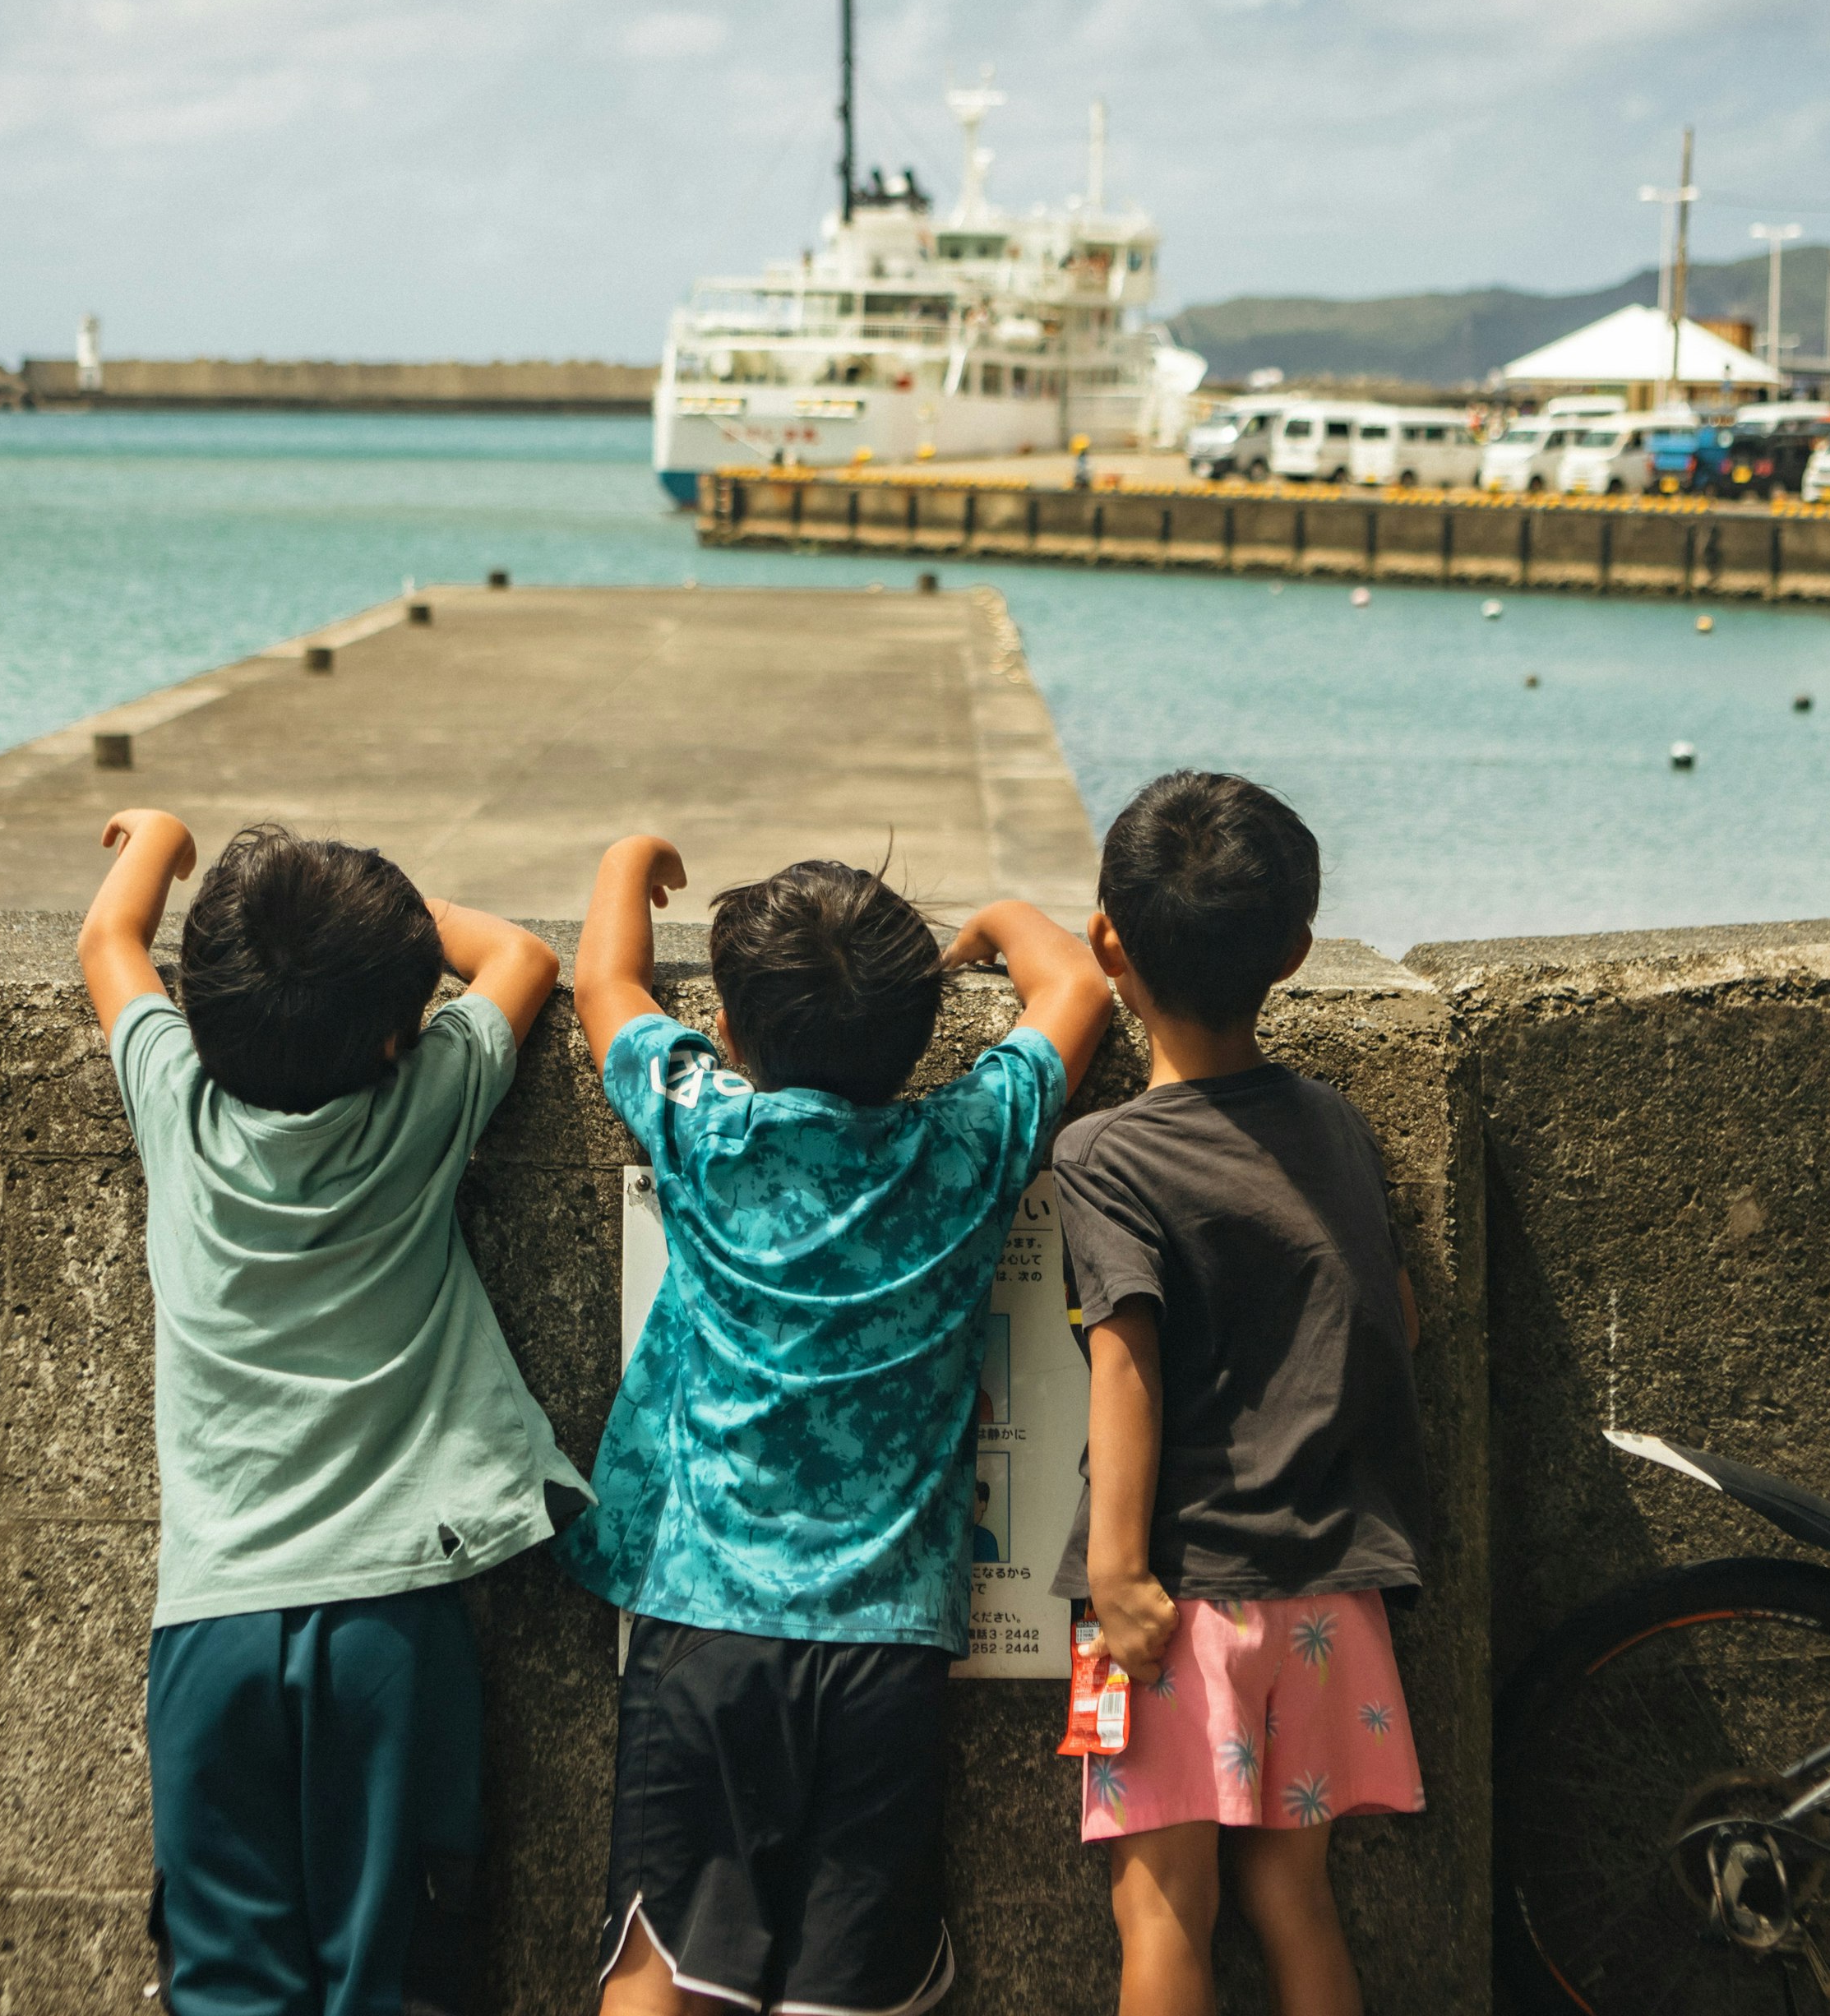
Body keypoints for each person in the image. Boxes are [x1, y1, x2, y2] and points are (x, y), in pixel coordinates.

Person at [558, 835, 1112, 2016]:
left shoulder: (708, 1132)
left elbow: (605, 987)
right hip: (889, 1642)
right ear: (913, 1036)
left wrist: (625, 864)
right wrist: (1003, 915)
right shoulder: (966, 1147)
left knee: (664, 1967)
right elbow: (1077, 991)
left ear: (739, 1039)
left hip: (706, 1621)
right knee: (847, 1993)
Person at [79, 809, 587, 2016]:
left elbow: (110, 937)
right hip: (392, 1625)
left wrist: (158, 836)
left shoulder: (177, 1110)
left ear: (203, 1012)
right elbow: (522, 959)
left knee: (225, 1979)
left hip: (210, 1628)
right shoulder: (419, 1110)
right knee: (400, 1970)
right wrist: (408, 922)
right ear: (390, 1036)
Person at [1052, 772, 1430, 2016]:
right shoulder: (1335, 1124)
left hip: (1180, 1601)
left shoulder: (1105, 1155)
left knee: (1164, 1909)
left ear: (1108, 939)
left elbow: (1128, 1363)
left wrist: (1115, 1578)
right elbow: (1396, 1321)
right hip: (1330, 1591)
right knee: (1295, 1898)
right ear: (1296, 952)